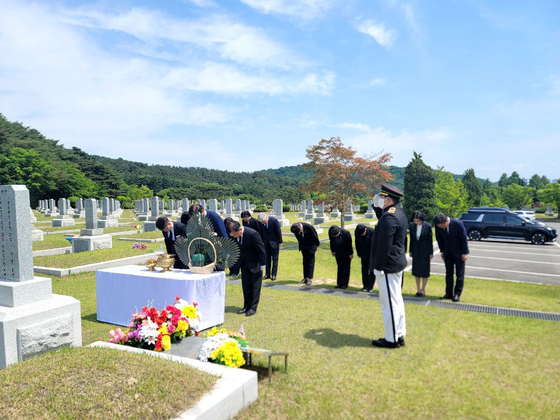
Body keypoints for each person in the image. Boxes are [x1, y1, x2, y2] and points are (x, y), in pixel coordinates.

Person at [370, 184, 408, 349]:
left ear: (388, 199)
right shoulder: (397, 212)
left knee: (389, 304)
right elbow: (384, 222)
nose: (379, 199)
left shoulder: (389, 217)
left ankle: (391, 339)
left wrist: (378, 267)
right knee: (397, 301)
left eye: (381, 197)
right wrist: (376, 207)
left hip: (387, 266)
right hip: (396, 263)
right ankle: (398, 334)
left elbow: (384, 245)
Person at [227, 221, 266, 316]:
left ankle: (253, 308)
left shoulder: (253, 234)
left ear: (240, 229)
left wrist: (263, 264)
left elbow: (261, 250)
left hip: (255, 264)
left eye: (235, 235)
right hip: (244, 264)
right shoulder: (235, 234)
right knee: (246, 286)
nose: (234, 237)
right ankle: (246, 306)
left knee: (255, 287)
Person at [434, 213, 469, 302]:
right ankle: (448, 293)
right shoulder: (439, 226)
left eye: (442, 225)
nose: (441, 227)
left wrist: (465, 253)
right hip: (447, 253)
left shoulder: (458, 224)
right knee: (448, 274)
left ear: (447, 221)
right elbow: (439, 239)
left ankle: (457, 294)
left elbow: (464, 239)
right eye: (439, 226)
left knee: (459, 274)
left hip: (459, 253)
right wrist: (442, 251)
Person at [408, 211, 434, 298]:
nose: (417, 222)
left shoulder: (428, 226)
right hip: (416, 252)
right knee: (417, 272)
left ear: (422, 220)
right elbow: (411, 239)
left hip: (425, 252)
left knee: (424, 272)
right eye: (415, 221)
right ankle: (418, 289)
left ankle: (423, 289)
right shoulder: (412, 226)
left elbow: (430, 240)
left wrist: (431, 252)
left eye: (418, 221)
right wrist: (410, 251)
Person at [257, 212, 283, 280]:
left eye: (264, 221)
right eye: (261, 222)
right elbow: (260, 233)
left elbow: (278, 231)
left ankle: (274, 274)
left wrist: (280, 241)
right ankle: (267, 274)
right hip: (265, 243)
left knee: (275, 259)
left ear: (266, 218)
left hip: (274, 242)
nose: (263, 223)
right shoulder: (260, 223)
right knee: (267, 259)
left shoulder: (274, 221)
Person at [355, 224, 375, 292]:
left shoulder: (372, 232)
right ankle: (365, 286)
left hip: (371, 254)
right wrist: (359, 253)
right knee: (364, 270)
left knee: (371, 271)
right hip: (364, 254)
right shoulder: (357, 232)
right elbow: (357, 242)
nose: (362, 235)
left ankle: (370, 286)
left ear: (365, 229)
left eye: (363, 233)